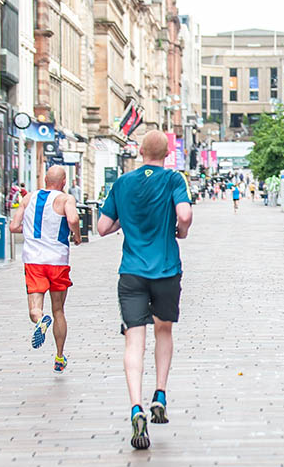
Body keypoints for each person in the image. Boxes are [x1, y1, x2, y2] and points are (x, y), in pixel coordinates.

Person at [97, 130, 193, 450]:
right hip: (166, 270)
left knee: (133, 340)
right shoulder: (173, 180)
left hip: (131, 273)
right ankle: (160, 394)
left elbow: (102, 227)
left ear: (139, 152)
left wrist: (125, 222)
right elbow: (184, 215)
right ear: (167, 154)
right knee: (163, 331)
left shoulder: (122, 183)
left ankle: (136, 406)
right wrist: (181, 230)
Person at [9, 166, 82, 373]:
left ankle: (40, 319)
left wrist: (30, 229)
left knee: (35, 307)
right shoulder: (65, 199)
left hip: (33, 261)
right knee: (58, 309)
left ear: (45, 180)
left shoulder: (28, 198)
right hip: (58, 260)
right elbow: (73, 219)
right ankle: (59, 356)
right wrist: (76, 236)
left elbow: (13, 227)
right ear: (64, 181)